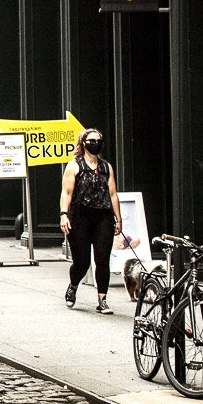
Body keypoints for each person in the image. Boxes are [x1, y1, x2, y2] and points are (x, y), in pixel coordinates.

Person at [61, 127, 122, 313]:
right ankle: (73, 286)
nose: (96, 144)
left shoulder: (106, 167)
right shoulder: (74, 166)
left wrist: (118, 219)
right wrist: (64, 214)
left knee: (102, 259)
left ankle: (102, 299)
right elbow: (67, 192)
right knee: (82, 262)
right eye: (92, 140)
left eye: (99, 140)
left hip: (103, 217)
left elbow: (112, 194)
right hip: (80, 217)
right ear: (83, 144)